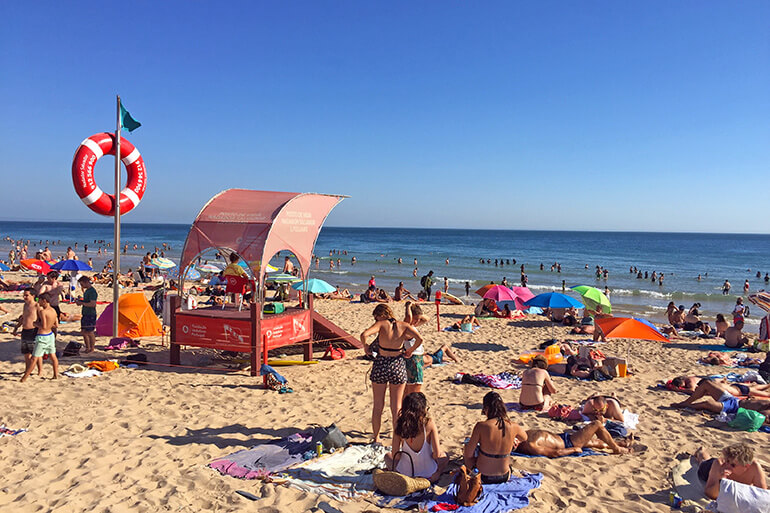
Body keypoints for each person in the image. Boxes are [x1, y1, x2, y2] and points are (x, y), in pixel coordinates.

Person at [360, 304, 423, 444]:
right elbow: (419, 339)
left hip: (381, 363)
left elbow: (364, 335)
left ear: (381, 315)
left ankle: (376, 437)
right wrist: (410, 350)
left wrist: (366, 347)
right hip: (397, 364)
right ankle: (398, 439)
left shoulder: (381, 324)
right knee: (397, 407)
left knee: (378, 405)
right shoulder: (403, 325)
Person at [463, 392, 528, 484]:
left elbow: (469, 454)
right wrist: (514, 440)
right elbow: (525, 437)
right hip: (504, 476)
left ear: (486, 409)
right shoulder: (513, 426)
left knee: (467, 447)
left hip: (483, 476)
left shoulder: (481, 426)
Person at [385, 392, 447, 482]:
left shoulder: (399, 424)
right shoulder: (428, 423)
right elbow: (436, 454)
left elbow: (396, 455)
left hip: (405, 474)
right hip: (429, 475)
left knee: (387, 456)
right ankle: (438, 472)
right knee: (445, 456)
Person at [517, 421, 633, 457]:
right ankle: (617, 448)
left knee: (592, 442)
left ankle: (620, 443)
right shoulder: (530, 445)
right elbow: (555, 453)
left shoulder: (518, 436)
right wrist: (573, 449)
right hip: (568, 443)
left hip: (562, 438)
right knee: (596, 425)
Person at [694, 443, 767, 500]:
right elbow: (709, 494)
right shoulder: (720, 464)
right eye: (727, 461)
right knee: (703, 462)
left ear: (746, 466)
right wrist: (721, 481)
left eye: (733, 465)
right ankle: (701, 451)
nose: (727, 466)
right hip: (709, 468)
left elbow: (763, 495)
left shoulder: (754, 467)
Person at [20, 294, 59, 382]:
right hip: (50, 335)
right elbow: (56, 325)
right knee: (53, 356)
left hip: (43, 336)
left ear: (44, 300)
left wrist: (35, 324)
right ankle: (55, 375)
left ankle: (24, 378)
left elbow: (43, 326)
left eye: (39, 300)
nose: (38, 302)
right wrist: (49, 324)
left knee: (34, 358)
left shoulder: (43, 312)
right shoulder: (53, 310)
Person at [12, 288, 42, 377]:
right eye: (24, 295)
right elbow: (23, 318)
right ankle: (27, 369)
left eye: (26, 295)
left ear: (33, 296)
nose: (24, 297)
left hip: (33, 331)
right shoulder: (25, 305)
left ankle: (40, 371)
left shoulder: (37, 306)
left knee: (36, 353)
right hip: (25, 330)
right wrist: (16, 327)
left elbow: (42, 319)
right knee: (26, 353)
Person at [76, 276, 98, 353]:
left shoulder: (92, 291)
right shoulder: (87, 291)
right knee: (84, 331)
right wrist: (81, 301)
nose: (81, 286)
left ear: (86, 282)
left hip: (90, 314)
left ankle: (91, 348)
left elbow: (92, 304)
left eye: (82, 284)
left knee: (90, 332)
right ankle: (87, 347)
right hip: (85, 313)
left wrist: (82, 303)